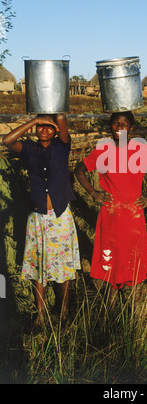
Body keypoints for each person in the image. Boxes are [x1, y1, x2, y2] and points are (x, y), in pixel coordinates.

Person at [74, 111, 147, 293]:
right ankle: (112, 293)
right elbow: (79, 170)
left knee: (133, 252)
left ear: (131, 128)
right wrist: (94, 193)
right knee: (111, 251)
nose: (119, 128)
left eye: (124, 124)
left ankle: (133, 294)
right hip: (110, 212)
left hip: (133, 212)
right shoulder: (103, 151)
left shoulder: (141, 150)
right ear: (111, 126)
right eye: (116, 123)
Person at [2, 114, 80, 326]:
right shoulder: (29, 149)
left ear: (55, 130)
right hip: (38, 217)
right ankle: (41, 314)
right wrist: (34, 121)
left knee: (63, 265)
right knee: (39, 266)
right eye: (41, 127)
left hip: (60, 215)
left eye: (49, 126)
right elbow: (7, 141)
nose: (44, 130)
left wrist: (53, 116)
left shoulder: (62, 147)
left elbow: (62, 118)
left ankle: (63, 309)